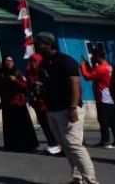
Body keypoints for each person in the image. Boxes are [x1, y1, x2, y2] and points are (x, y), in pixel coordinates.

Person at [35, 32, 98, 184]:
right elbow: (48, 84)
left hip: (69, 109)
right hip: (53, 109)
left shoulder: (65, 61)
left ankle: (91, 181)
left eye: (39, 43)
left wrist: (73, 107)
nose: (37, 46)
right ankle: (77, 179)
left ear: (48, 44)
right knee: (66, 146)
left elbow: (75, 84)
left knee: (75, 145)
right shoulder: (44, 63)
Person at [0, 56, 38, 153]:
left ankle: (29, 145)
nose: (9, 63)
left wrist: (15, 80)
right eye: (7, 61)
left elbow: (25, 86)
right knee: (10, 126)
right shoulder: (0, 74)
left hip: (18, 102)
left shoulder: (17, 72)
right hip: (6, 103)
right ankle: (13, 146)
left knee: (24, 125)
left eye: (11, 61)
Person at [80, 48, 115, 149]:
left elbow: (88, 76)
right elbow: (95, 74)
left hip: (103, 98)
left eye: (94, 56)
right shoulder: (108, 66)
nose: (92, 58)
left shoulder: (101, 68)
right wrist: (90, 66)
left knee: (103, 120)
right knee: (112, 121)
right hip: (110, 97)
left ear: (98, 56)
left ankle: (105, 141)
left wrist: (83, 66)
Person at [27, 53, 61, 154]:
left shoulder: (44, 71)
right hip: (37, 103)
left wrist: (40, 84)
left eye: (35, 61)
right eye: (32, 61)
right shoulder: (30, 73)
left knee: (51, 125)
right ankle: (51, 144)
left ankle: (57, 144)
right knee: (44, 125)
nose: (33, 63)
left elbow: (51, 84)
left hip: (47, 103)